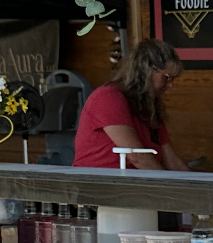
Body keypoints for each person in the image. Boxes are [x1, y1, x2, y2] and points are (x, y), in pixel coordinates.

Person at [74, 38, 187, 170]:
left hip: (131, 179)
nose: (170, 85)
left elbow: (172, 160)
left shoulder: (150, 106)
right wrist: (167, 183)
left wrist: (195, 182)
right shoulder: (107, 97)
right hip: (99, 180)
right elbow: (137, 157)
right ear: (146, 71)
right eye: (166, 78)